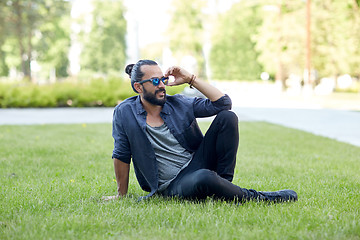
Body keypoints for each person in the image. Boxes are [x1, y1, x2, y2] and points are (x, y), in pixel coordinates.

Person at [104, 59, 297, 203]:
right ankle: (258, 197)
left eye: (163, 79)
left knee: (228, 117)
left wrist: (191, 79)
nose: (162, 85)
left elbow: (223, 103)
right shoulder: (125, 113)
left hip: (197, 163)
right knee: (204, 177)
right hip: (173, 184)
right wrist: (121, 195)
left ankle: (223, 188)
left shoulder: (178, 103)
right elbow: (121, 153)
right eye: (155, 81)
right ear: (138, 87)